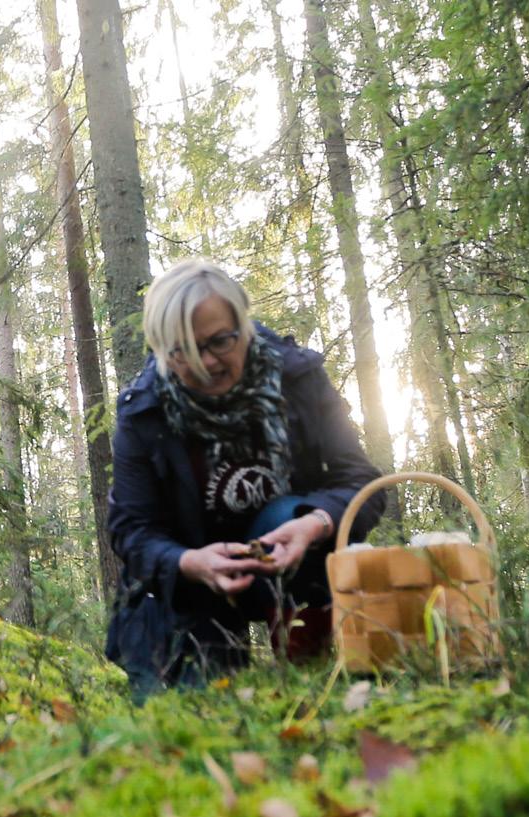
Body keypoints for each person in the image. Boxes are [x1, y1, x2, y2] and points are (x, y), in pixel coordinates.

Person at [106, 258, 386, 695]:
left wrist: (313, 525)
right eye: (183, 350)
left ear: (244, 324)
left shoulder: (297, 379)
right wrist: (189, 563)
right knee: (193, 714)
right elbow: (131, 531)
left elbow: (362, 483)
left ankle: (311, 665)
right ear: (162, 349)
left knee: (292, 512)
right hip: (190, 586)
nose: (205, 364)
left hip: (295, 563)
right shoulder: (144, 412)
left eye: (219, 341)